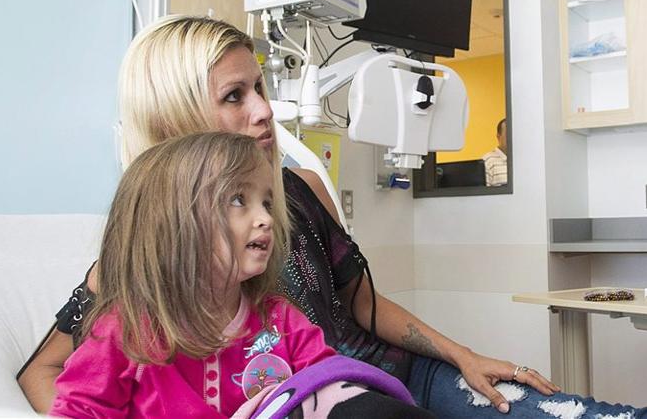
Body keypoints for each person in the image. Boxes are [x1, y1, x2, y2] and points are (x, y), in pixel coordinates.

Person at [20, 15, 647, 418]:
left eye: (260, 88)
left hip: (394, 375)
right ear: (175, 119)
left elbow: (365, 307)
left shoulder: (299, 186)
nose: (263, 111)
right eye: (236, 95)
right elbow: (43, 374)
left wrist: (464, 355)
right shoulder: (137, 266)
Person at [51, 131, 426, 418]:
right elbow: (78, 410)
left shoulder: (279, 320)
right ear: (172, 224)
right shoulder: (125, 330)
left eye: (266, 201)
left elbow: (325, 384)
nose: (265, 218)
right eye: (237, 200)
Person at [482, 118, 509, 186]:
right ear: (498, 137)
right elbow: (485, 194)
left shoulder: (523, 160)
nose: (511, 137)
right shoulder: (487, 161)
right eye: (508, 134)